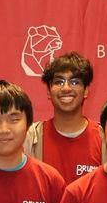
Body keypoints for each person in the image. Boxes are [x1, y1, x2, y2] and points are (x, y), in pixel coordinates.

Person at [28, 50, 102, 182]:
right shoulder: (31, 137)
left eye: (74, 82)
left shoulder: (104, 138)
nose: (66, 88)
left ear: (85, 90)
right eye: (59, 82)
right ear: (49, 92)